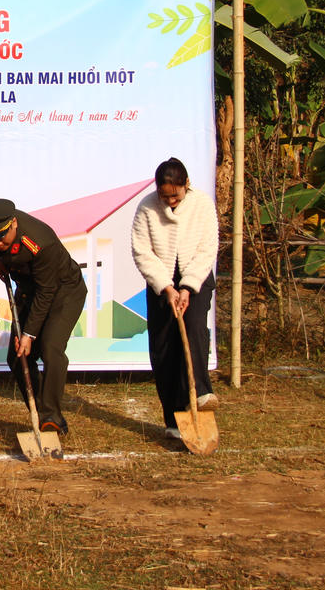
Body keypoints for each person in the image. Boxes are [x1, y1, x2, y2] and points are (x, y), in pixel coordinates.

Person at [0, 198, 87, 436]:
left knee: (50, 348)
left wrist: (29, 334)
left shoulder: (40, 242)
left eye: (2, 238)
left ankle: (50, 416)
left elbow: (47, 292)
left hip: (62, 291)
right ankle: (44, 415)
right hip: (28, 290)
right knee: (16, 357)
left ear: (13, 224)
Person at [130, 157, 220, 440]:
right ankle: (172, 418)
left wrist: (187, 287)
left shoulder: (202, 204)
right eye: (164, 195)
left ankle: (199, 392)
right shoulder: (146, 207)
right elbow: (142, 251)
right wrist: (167, 288)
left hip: (196, 279)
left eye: (175, 195)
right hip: (162, 285)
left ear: (187, 185)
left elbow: (208, 248)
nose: (170, 201)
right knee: (164, 348)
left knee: (193, 328)